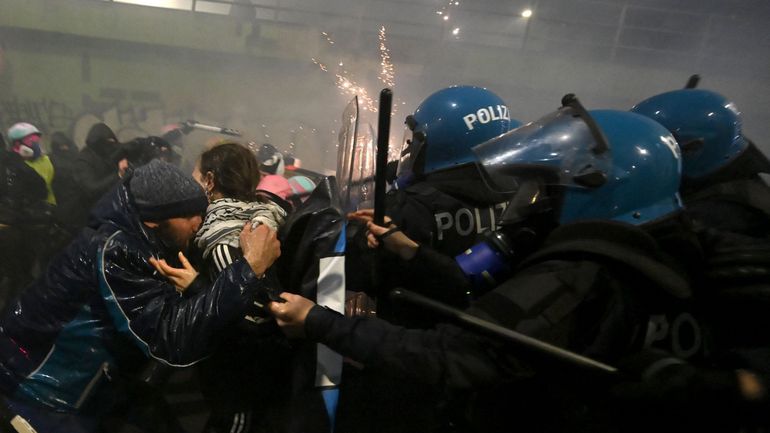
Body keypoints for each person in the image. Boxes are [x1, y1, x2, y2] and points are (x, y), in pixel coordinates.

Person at [269, 105, 725, 432]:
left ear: (600, 189)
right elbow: (463, 281)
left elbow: (450, 356)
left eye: (551, 186)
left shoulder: (576, 276)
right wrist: (409, 250)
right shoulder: (678, 255)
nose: (537, 199)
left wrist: (317, 319)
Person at [0, 159, 281, 433]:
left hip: (89, 389)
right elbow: (172, 339)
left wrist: (196, 287)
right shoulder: (115, 249)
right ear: (152, 219)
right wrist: (249, 268)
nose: (198, 223)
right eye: (187, 215)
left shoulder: (137, 239)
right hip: (41, 396)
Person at [186, 142, 288, 433]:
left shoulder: (224, 236)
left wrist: (195, 287)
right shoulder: (260, 215)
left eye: (195, 176)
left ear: (210, 180)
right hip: (253, 368)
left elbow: (252, 314)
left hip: (239, 375)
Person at [0, 125, 50, 309]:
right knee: (16, 277)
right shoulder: (15, 165)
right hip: (11, 230)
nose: (36, 145)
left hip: (10, 228)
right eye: (31, 142)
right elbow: (41, 189)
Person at [72, 122, 128, 227]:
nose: (111, 146)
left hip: (115, 209)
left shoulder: (110, 154)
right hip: (94, 215)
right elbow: (91, 189)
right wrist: (119, 175)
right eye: (107, 143)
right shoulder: (83, 160)